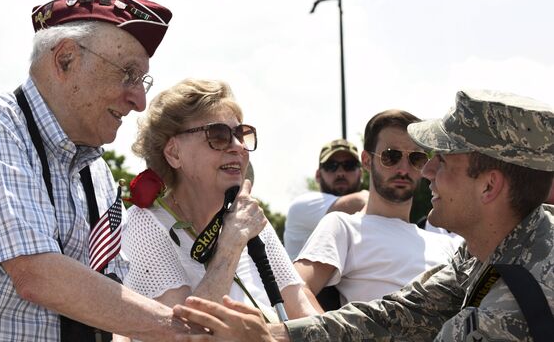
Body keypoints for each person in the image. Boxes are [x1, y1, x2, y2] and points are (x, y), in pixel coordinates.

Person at [0, 0, 193, 341]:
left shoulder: (97, 172)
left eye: (142, 81)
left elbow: (109, 293)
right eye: (128, 74)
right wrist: (191, 334)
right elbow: (37, 275)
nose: (139, 100)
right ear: (66, 59)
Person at [172, 89, 554, 342]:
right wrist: (278, 335)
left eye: (441, 161)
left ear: (489, 187)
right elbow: (398, 313)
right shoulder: (482, 250)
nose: (426, 172)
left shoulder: (521, 299)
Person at [120, 78, 319, 326]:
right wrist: (229, 248)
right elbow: (183, 334)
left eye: (239, 134)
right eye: (218, 135)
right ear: (173, 153)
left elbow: (305, 314)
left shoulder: (251, 220)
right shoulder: (145, 225)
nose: (237, 147)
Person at [294, 110, 458, 305]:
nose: (403, 169)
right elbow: (296, 289)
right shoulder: (343, 227)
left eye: (416, 158)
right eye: (391, 156)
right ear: (366, 161)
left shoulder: (447, 244)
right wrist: (328, 335)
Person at [284, 139, 363, 260]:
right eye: (331, 166)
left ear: (361, 174)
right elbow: (360, 201)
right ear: (318, 175)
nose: (340, 173)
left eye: (349, 165)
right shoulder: (302, 206)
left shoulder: (371, 212)